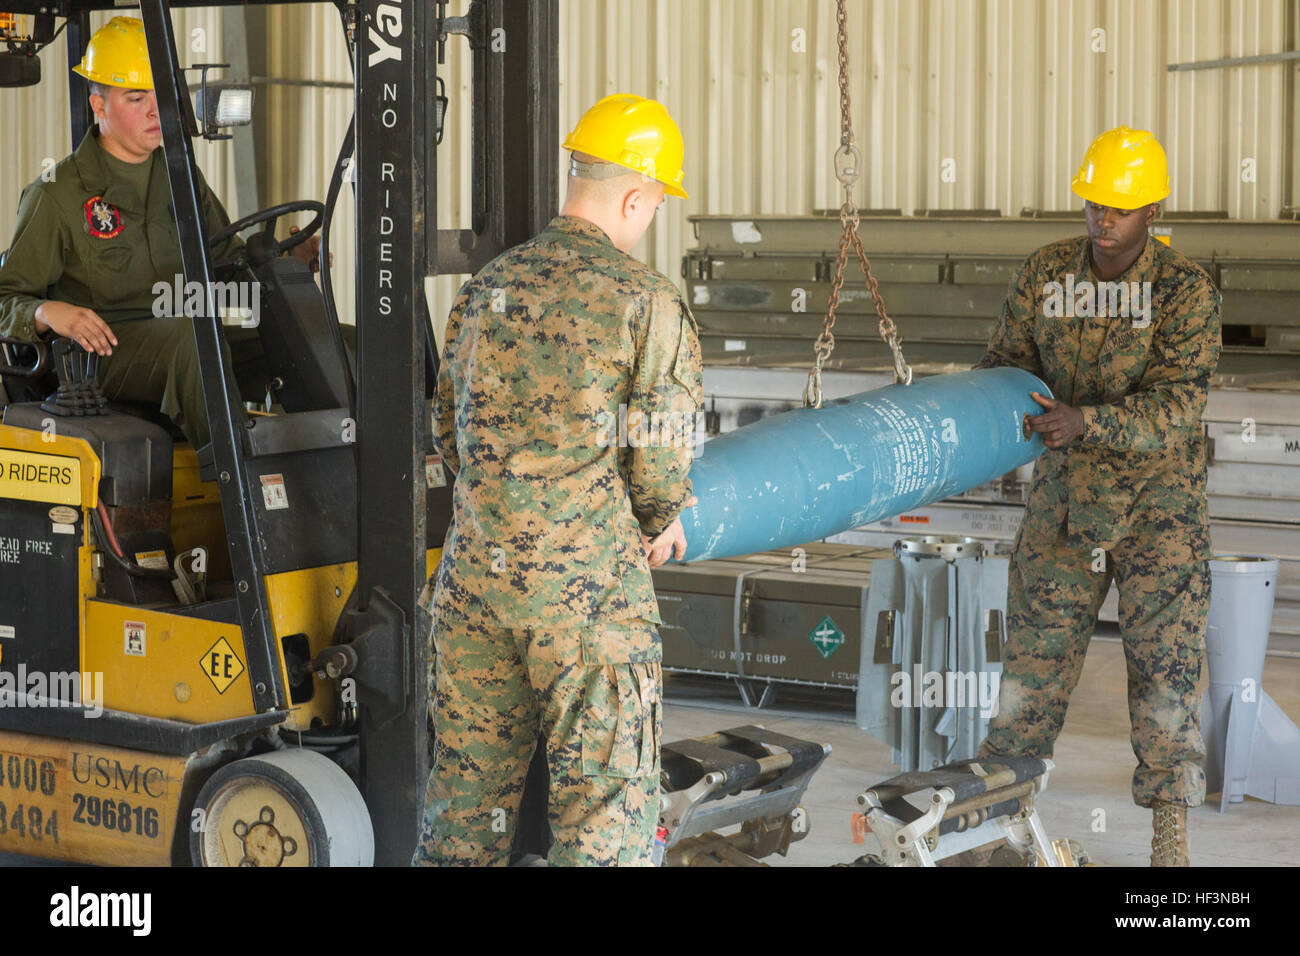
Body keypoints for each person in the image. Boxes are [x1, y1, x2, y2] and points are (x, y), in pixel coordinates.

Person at [412, 93, 702, 866]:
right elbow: (661, 456)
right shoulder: (646, 301)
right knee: (603, 820)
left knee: (462, 815)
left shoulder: (482, 289)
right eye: (654, 205)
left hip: (475, 591)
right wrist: (663, 515)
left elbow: (448, 431)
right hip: (589, 605)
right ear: (637, 196)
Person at [974, 126, 1222, 866]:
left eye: (1120, 208)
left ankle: (1169, 831)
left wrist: (1088, 421)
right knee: (1032, 667)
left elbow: (1180, 406)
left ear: (1152, 208)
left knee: (1165, 672)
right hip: (1064, 510)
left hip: (1159, 515)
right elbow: (1005, 364)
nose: (1103, 221)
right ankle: (996, 817)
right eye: (1094, 205)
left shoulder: (1184, 290)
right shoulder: (1047, 272)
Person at [0, 16, 322, 447]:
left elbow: (227, 262)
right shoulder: (56, 194)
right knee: (193, 338)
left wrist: (285, 262)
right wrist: (46, 313)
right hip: (101, 355)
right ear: (99, 107)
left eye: (160, 93)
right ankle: (237, 490)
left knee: (317, 338)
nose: (156, 109)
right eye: (136, 98)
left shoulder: (182, 178)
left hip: (186, 336)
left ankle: (345, 477)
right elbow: (6, 299)